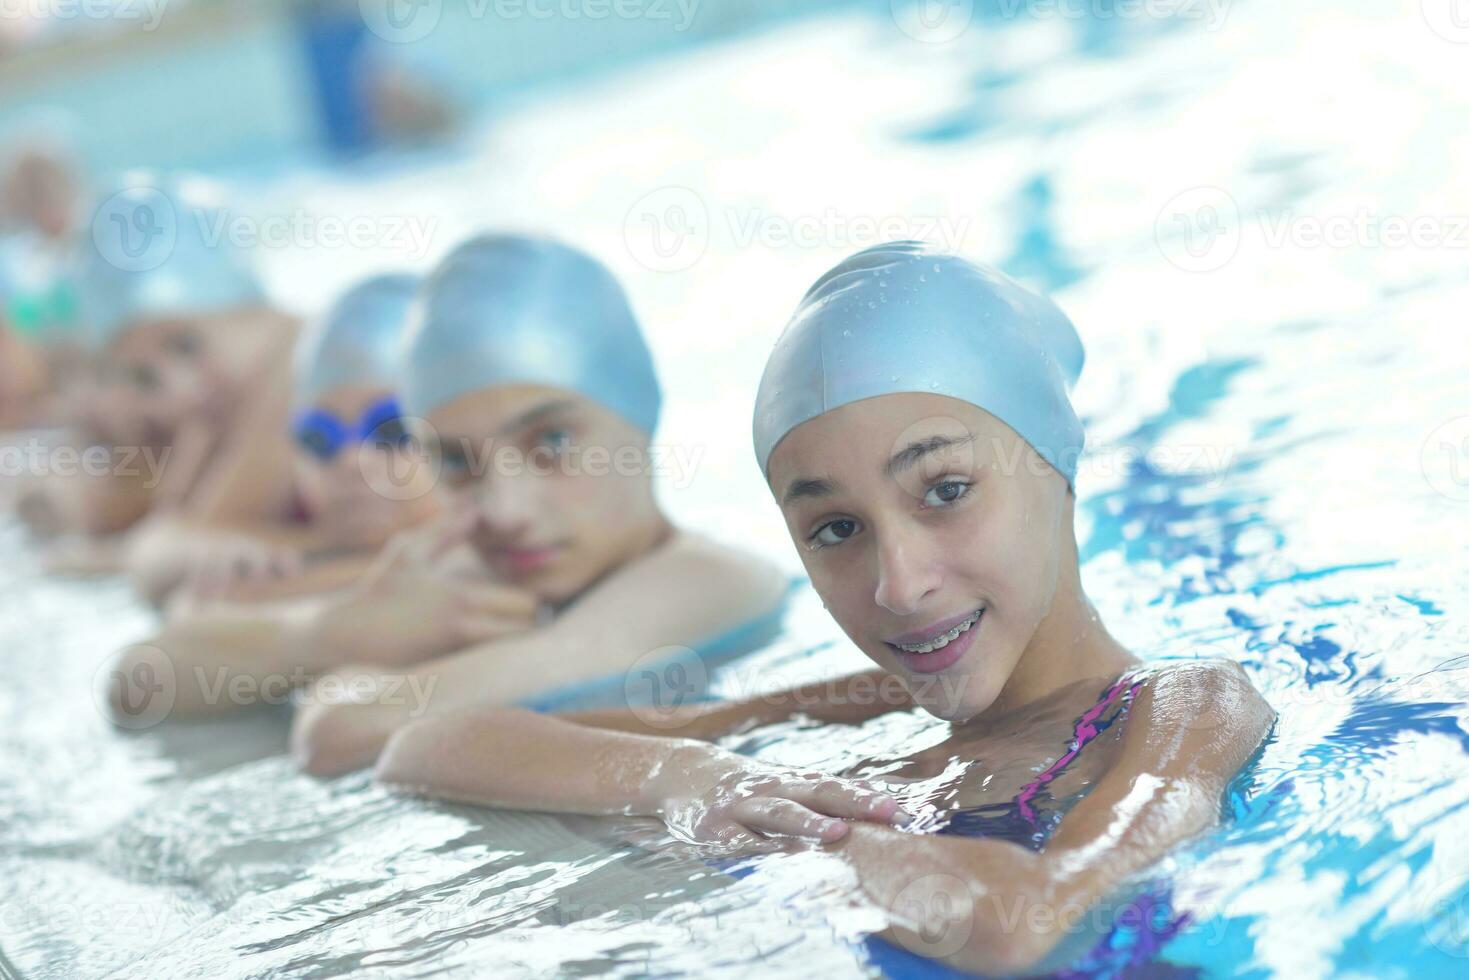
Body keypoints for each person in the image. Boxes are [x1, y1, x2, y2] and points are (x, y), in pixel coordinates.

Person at [373, 242, 1275, 975]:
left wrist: (798, 848)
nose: (897, 582)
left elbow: (1021, 917)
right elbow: (432, 742)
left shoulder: (1185, 705)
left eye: (944, 488)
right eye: (835, 528)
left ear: (1058, 467)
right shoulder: (856, 707)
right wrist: (700, 782)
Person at [104, 235, 790, 779]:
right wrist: (330, 635)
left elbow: (341, 730)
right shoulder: (479, 572)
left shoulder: (710, 579)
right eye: (458, 463)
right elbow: (140, 679)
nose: (509, 509)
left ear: (639, 415)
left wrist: (346, 654)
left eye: (550, 442)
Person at [159, 272, 441, 604]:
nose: (351, 460)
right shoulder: (294, 538)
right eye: (319, 438)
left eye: (391, 431)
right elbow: (156, 548)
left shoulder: (498, 551)